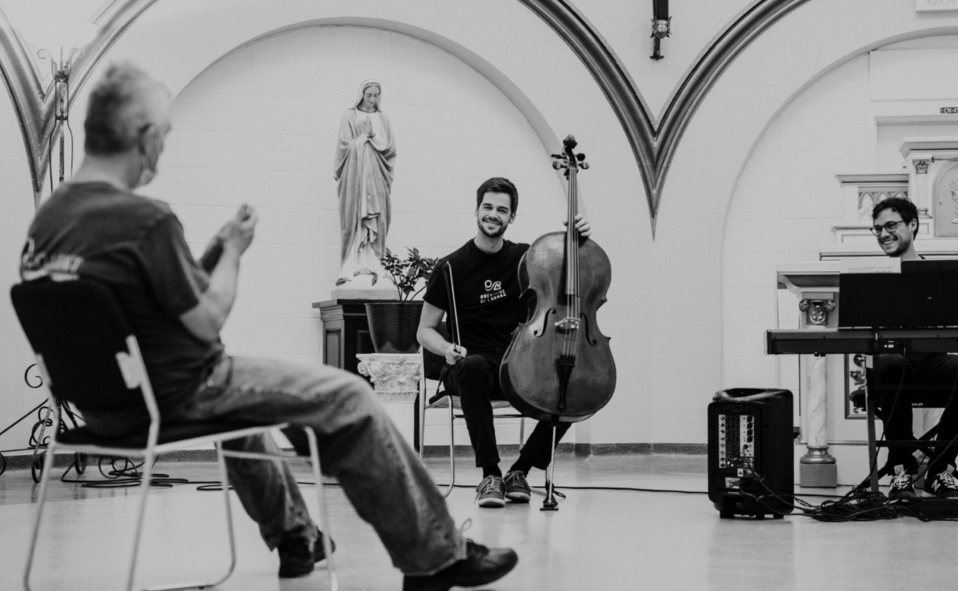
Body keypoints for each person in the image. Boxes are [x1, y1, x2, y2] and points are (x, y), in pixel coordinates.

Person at [19, 62, 515, 590]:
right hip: (180, 393)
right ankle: (435, 556)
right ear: (140, 136)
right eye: (161, 138)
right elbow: (207, 322)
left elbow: (139, 309)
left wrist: (208, 254)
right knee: (349, 396)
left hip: (100, 406)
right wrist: (232, 251)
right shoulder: (144, 219)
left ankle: (297, 537)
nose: (160, 152)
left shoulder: (48, 222)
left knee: (251, 414)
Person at [417, 177, 590, 508]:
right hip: (467, 368)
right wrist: (446, 350)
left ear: (511, 217)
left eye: (502, 210)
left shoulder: (525, 259)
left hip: (517, 366)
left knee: (573, 383)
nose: (493, 214)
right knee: (473, 366)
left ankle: (519, 471)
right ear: (477, 210)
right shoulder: (451, 267)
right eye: (488, 207)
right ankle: (490, 475)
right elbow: (425, 330)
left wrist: (577, 242)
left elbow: (566, 270)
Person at [869, 197, 958, 499]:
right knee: (895, 365)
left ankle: (940, 469)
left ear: (912, 225)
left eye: (891, 225)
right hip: (892, 363)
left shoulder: (937, 275)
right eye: (878, 229)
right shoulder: (870, 276)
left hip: (932, 360)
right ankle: (900, 470)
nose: (884, 234)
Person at [333, 79, 396, 286]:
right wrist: (363, 138)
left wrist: (373, 135)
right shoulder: (349, 116)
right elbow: (344, 147)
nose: (372, 99)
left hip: (376, 176)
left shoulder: (383, 119)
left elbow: (389, 150)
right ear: (361, 95)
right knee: (357, 218)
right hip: (357, 178)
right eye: (369, 95)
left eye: (376, 95)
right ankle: (355, 264)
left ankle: (375, 263)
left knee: (378, 218)